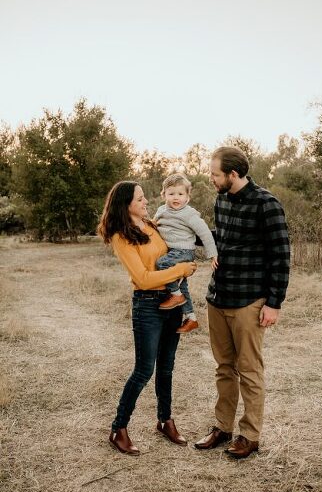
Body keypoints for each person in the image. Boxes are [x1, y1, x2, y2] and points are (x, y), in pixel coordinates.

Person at [193, 146, 290, 460]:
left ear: (232, 174)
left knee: (249, 370)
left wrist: (273, 303)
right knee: (224, 368)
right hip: (218, 297)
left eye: (215, 174)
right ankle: (222, 428)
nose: (211, 178)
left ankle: (250, 435)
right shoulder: (220, 200)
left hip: (249, 300)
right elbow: (221, 237)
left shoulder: (267, 204)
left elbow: (281, 256)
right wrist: (179, 231)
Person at [97, 181, 197, 455]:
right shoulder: (121, 235)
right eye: (140, 199)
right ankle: (119, 428)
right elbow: (142, 278)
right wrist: (180, 269)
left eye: (144, 198)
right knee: (144, 370)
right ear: (126, 204)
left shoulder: (152, 226)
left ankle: (165, 421)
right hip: (148, 306)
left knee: (167, 367)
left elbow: (179, 243)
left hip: (172, 302)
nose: (145, 202)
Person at [153, 172, 218, 334]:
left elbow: (205, 233)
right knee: (183, 286)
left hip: (184, 252)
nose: (176, 198)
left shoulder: (189, 214)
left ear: (187, 197)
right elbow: (153, 225)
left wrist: (213, 254)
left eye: (181, 194)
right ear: (164, 195)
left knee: (161, 264)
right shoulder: (161, 210)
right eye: (171, 193)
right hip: (172, 252)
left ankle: (175, 295)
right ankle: (191, 318)